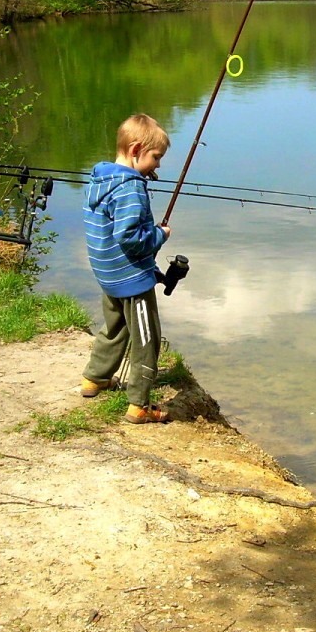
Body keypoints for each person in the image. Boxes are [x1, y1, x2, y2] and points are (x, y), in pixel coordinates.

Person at [80, 114, 174, 424]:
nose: (157, 166)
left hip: (108, 274)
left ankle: (95, 378)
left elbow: (113, 232)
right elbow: (130, 237)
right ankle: (139, 404)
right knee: (147, 340)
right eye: (155, 157)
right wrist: (160, 235)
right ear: (135, 150)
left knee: (115, 327)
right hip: (131, 279)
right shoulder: (130, 188)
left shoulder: (101, 181)